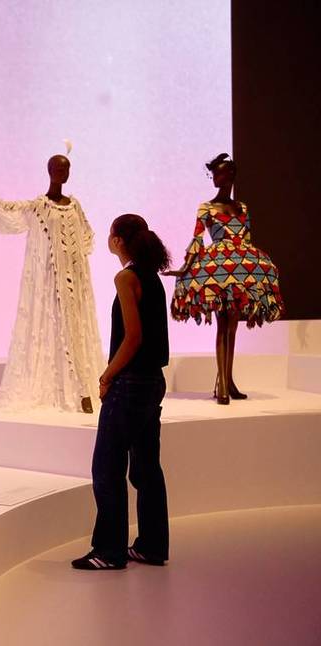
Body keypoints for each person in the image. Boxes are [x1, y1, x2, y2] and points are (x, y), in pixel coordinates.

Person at [0, 155, 102, 413]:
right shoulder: (40, 206)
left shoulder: (74, 206)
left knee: (75, 327)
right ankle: (70, 388)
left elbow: (85, 238)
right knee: (55, 327)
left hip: (75, 278)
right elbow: (11, 208)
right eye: (59, 168)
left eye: (67, 168)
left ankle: (83, 387)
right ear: (50, 171)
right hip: (50, 282)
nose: (64, 173)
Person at [72, 214, 171, 570]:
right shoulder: (152, 277)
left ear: (117, 240)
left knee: (108, 467)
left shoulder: (125, 277)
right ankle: (151, 545)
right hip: (152, 382)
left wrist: (107, 375)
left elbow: (133, 337)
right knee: (146, 468)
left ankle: (109, 551)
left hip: (129, 384)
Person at [167, 153, 284, 404]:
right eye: (213, 173)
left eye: (219, 173)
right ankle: (222, 382)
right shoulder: (206, 207)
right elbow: (198, 239)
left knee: (232, 323)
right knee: (223, 322)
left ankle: (227, 380)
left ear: (230, 175)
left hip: (239, 265)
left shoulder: (242, 207)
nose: (215, 178)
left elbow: (247, 239)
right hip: (218, 267)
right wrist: (184, 268)